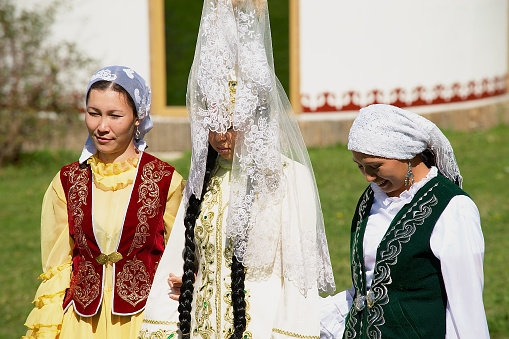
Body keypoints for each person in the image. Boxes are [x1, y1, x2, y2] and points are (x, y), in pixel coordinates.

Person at [138, 0, 336, 338]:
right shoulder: (204, 180)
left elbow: (299, 283)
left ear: (257, 121)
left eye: (232, 125)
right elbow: (180, 260)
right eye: (211, 125)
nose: (220, 137)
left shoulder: (288, 180)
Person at [23, 66, 185, 338]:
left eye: (115, 115)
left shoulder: (165, 180)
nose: (102, 126)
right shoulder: (67, 181)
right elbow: (58, 265)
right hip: (82, 322)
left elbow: (182, 256)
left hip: (144, 320)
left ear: (137, 118)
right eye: (93, 113)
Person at [320, 104, 489, 338]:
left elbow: (466, 306)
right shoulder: (372, 198)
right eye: (360, 167)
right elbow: (368, 284)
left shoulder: (452, 208)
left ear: (407, 155)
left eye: (375, 166)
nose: (368, 176)